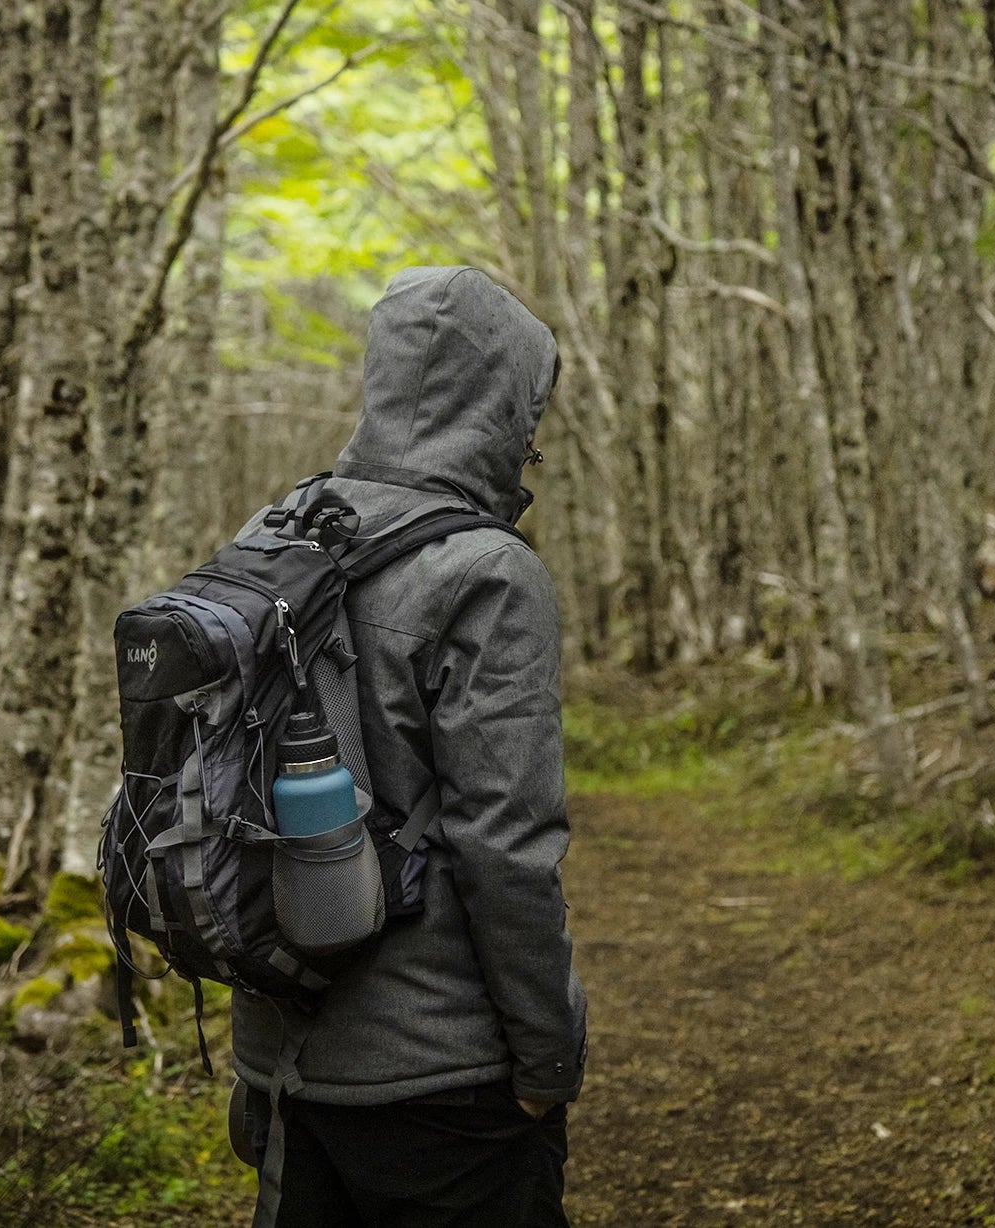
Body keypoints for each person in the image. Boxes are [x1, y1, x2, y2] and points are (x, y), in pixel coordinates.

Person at [231, 265, 587, 1228]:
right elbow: (506, 845)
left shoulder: (276, 531)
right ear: (510, 406)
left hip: (282, 1064)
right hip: (443, 1080)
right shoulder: (486, 570)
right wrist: (547, 1059)